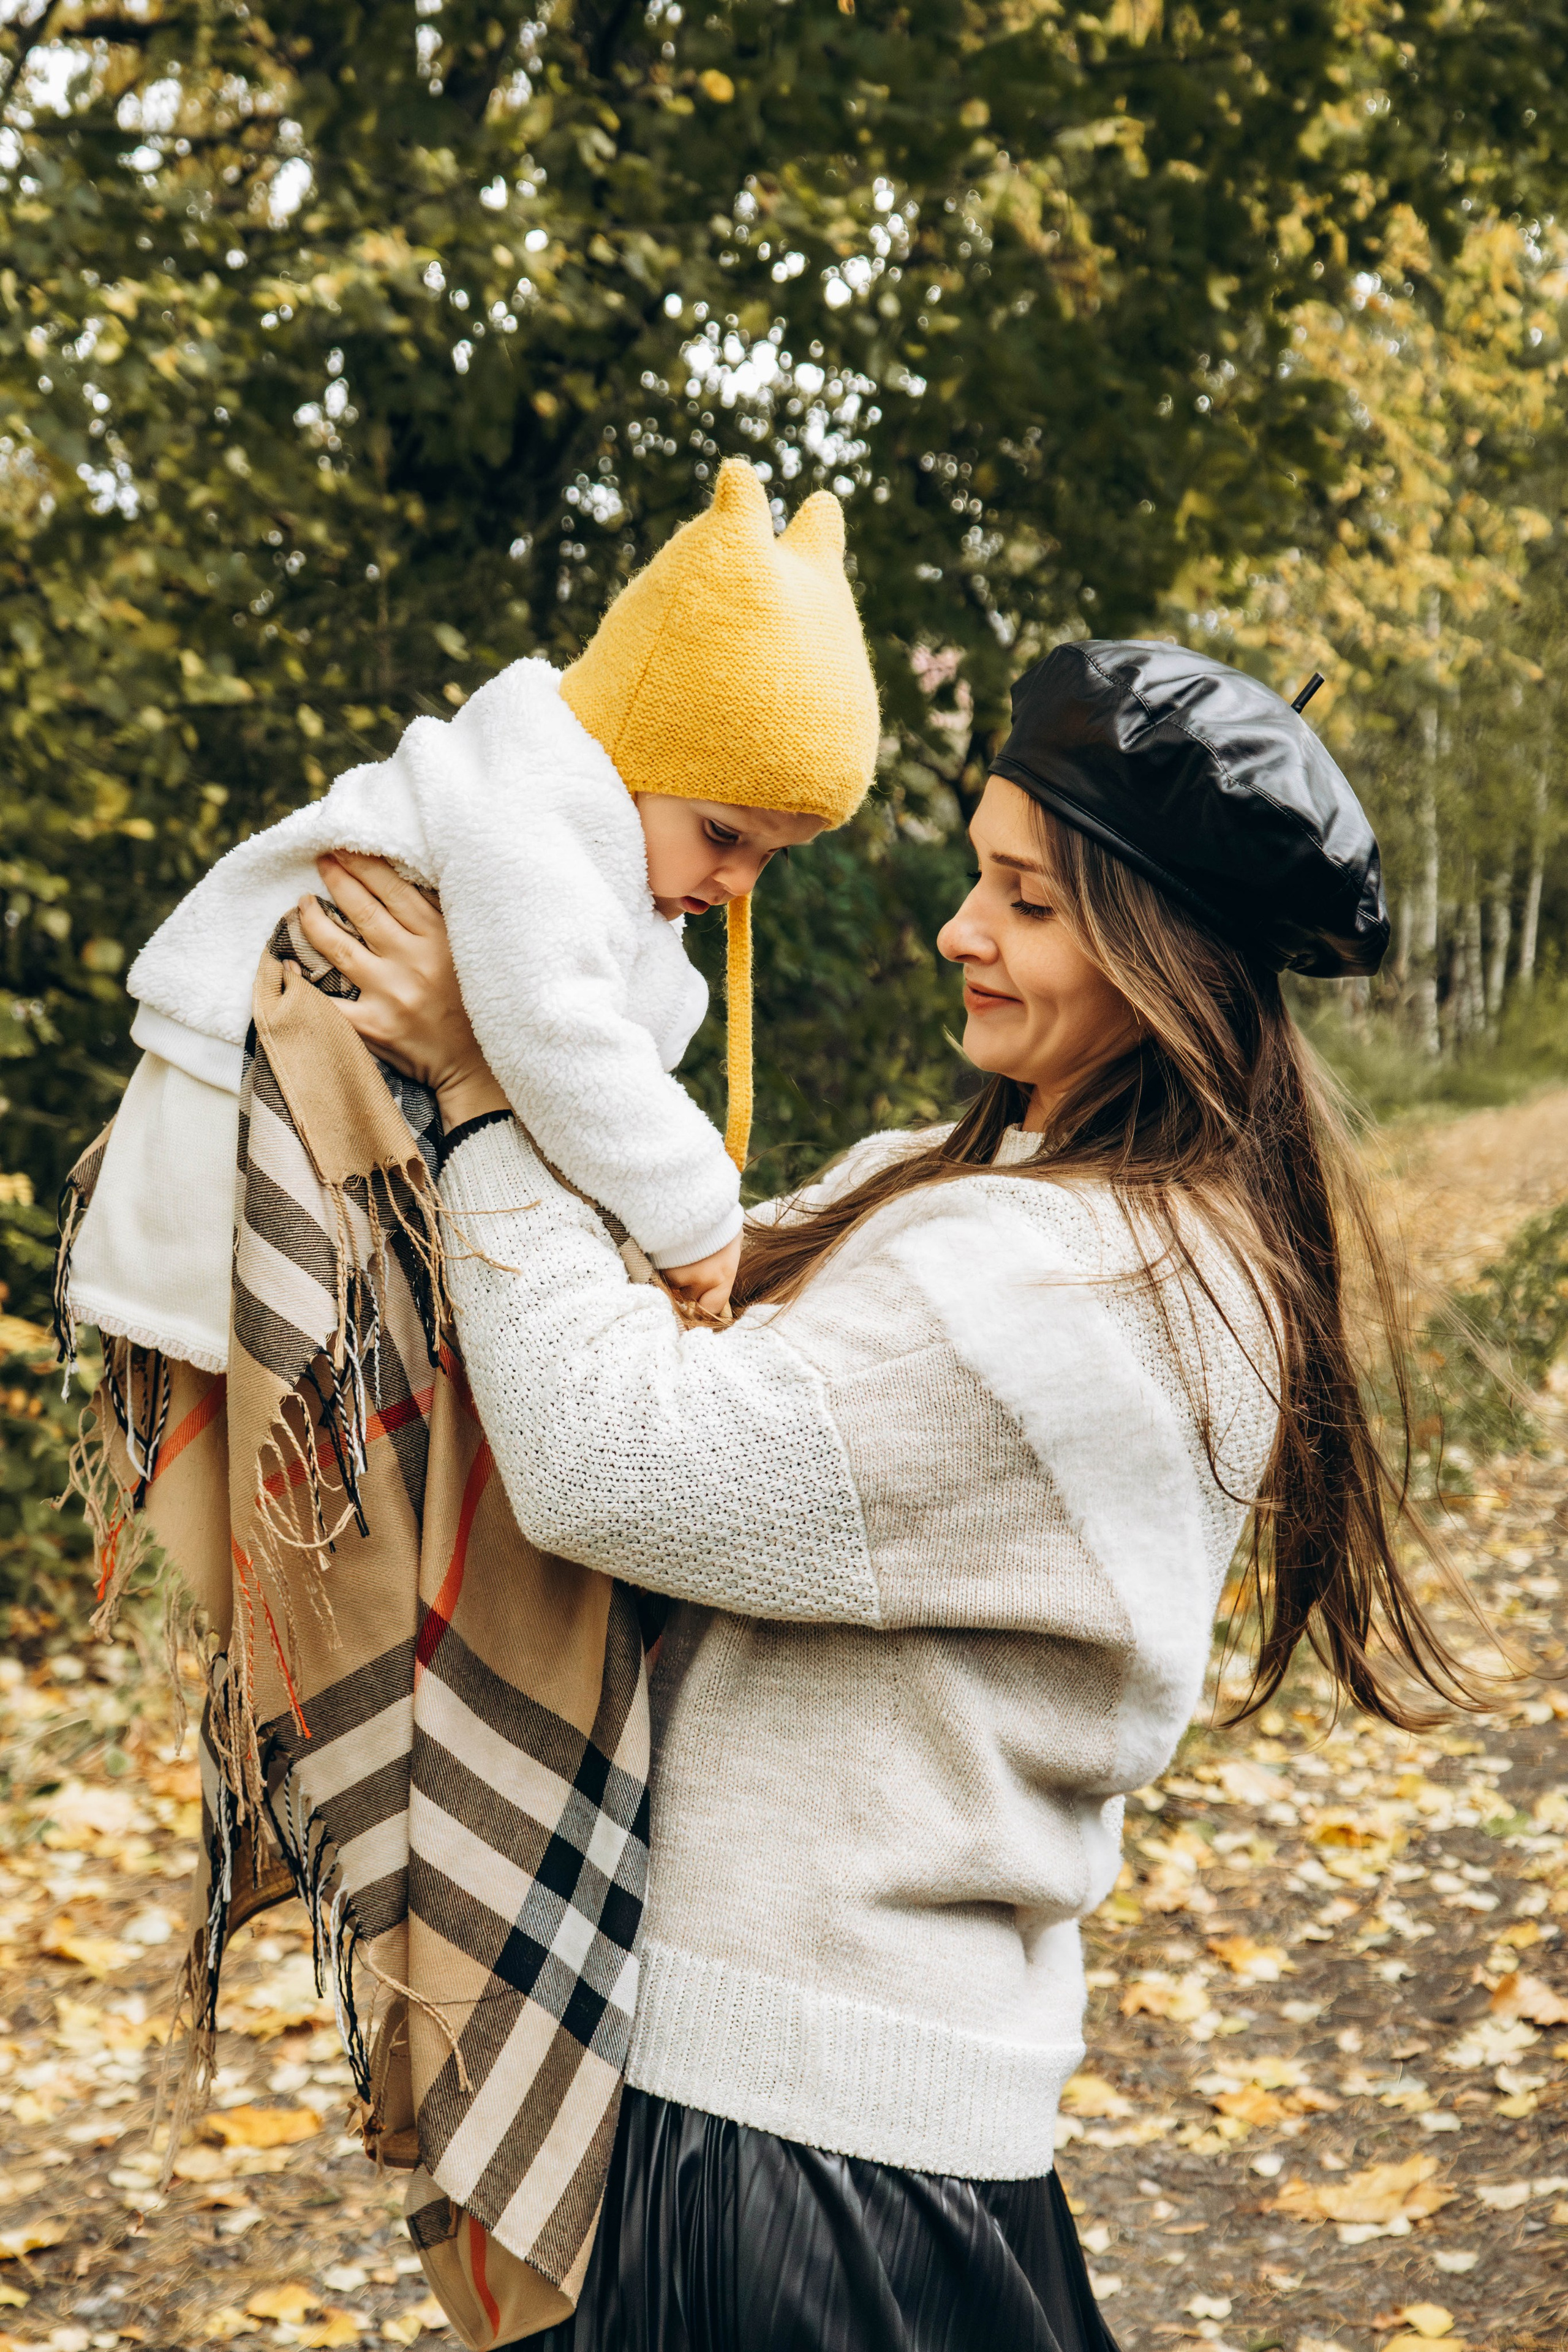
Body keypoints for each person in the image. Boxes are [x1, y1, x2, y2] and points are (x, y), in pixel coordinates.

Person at [294, 640, 1477, 2352]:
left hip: (802, 2150)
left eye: (1029, 901)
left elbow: (613, 1456)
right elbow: (656, 1292)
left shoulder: (1068, 1286)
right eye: (976, 875)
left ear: (1169, 959)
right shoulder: (983, 1196)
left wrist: (486, 1090)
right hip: (838, 2121)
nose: (961, 931)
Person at [65, 458, 877, 1357]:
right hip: (233, 1123)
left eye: (773, 856)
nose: (740, 883)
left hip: (325, 1113)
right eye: (725, 835)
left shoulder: (614, 839)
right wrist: (696, 1219)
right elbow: (554, 1030)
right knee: (262, 1434)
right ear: (633, 753)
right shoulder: (534, 808)